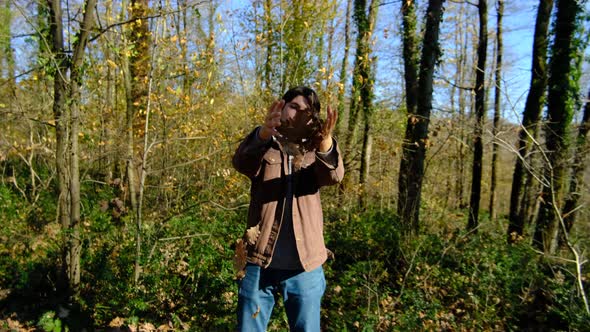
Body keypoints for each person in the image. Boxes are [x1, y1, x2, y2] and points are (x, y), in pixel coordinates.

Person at [232, 86, 344, 331]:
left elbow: (334, 176)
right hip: (260, 261)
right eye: (293, 106)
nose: (298, 113)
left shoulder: (317, 147)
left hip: (305, 264)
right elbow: (241, 162)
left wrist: (325, 145)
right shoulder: (263, 142)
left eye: (306, 110)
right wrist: (262, 134)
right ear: (281, 107)